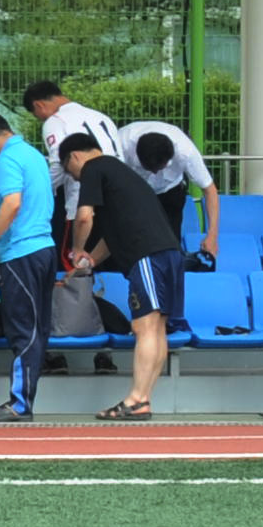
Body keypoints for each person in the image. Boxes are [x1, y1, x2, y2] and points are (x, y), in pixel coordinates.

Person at [62, 128, 181, 420]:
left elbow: (84, 216)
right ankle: (142, 399)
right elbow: (112, 237)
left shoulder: (93, 167)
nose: (76, 178)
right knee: (156, 327)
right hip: (169, 254)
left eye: (71, 172)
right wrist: (88, 262)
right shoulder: (123, 176)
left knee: (144, 327)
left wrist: (76, 250)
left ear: (75, 156)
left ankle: (136, 399)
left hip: (147, 256)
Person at [20, 86, 128, 370]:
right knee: (104, 277)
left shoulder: (56, 122)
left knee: (71, 273)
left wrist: (38, 194)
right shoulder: (100, 116)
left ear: (40, 105)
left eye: (35, 112)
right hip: (114, 206)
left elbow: (57, 165)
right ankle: (106, 352)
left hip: (81, 207)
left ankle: (58, 349)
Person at [0, 108, 54, 425]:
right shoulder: (33, 155)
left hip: (21, 253)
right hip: (44, 249)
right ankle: (24, 399)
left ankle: (19, 403)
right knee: (37, 328)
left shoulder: (7, 160)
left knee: (23, 329)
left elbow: (12, 203)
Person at [118, 117, 224, 271]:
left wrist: (212, 235)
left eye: (159, 168)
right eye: (148, 168)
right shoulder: (122, 143)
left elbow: (210, 190)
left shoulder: (185, 152)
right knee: (127, 242)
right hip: (132, 192)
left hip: (169, 192)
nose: (154, 173)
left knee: (169, 248)